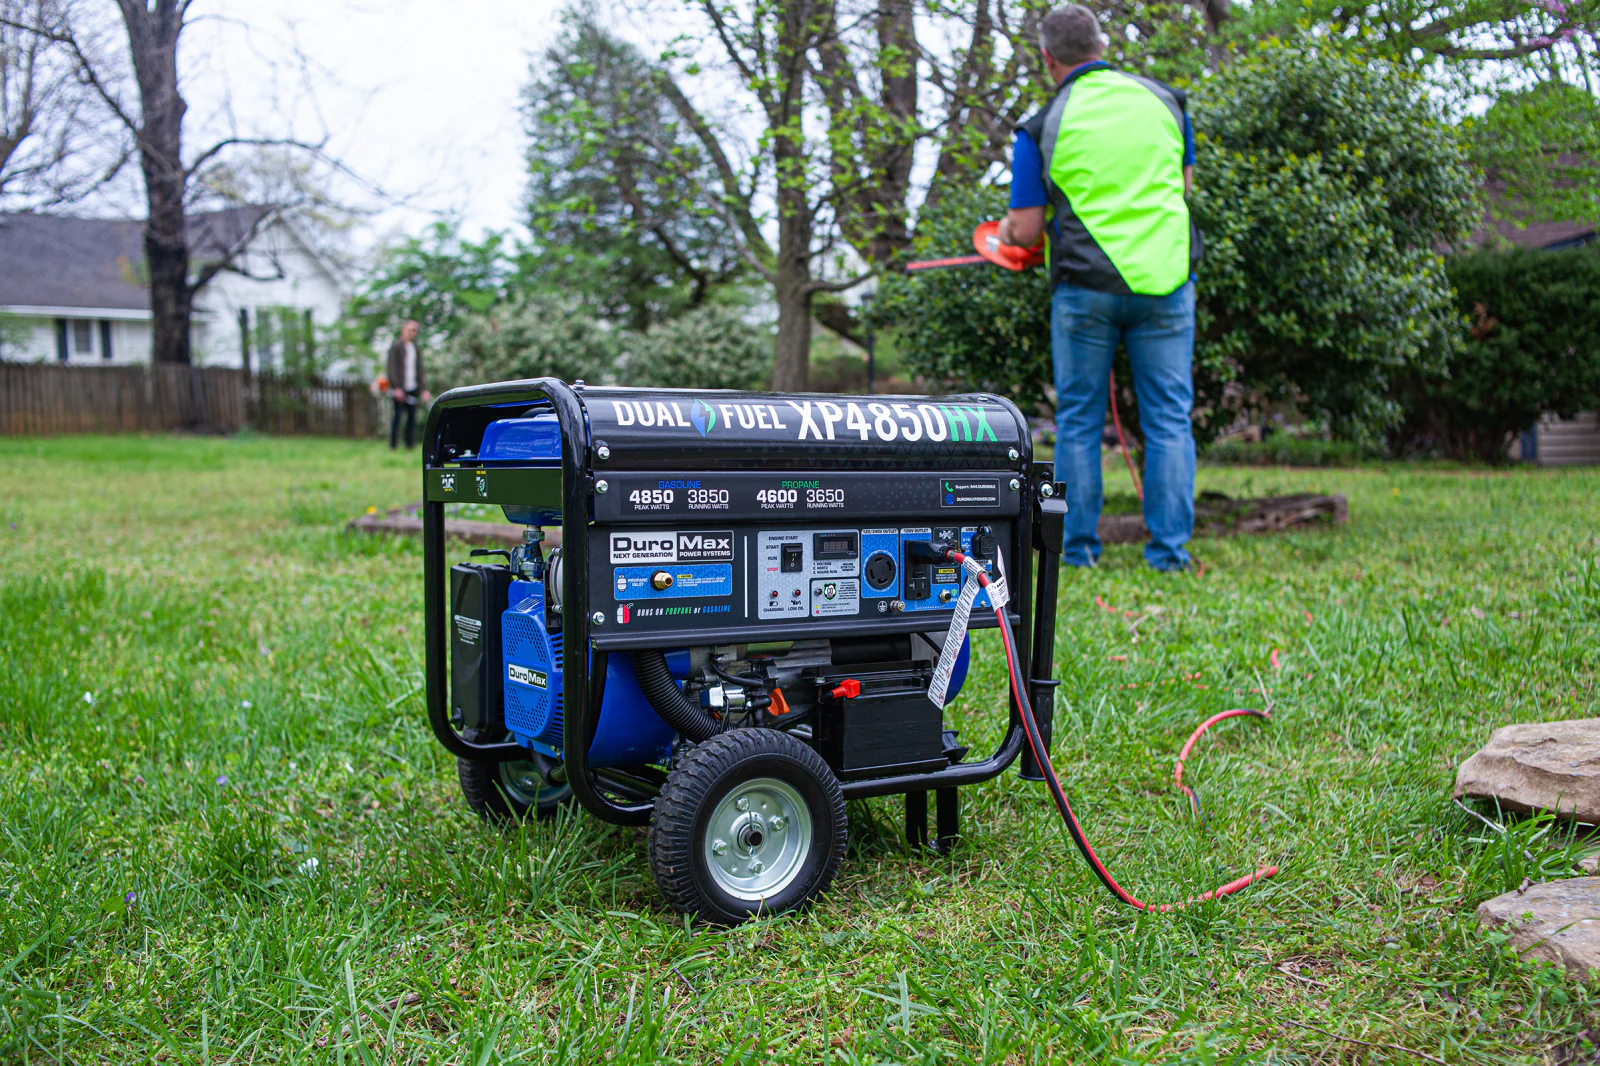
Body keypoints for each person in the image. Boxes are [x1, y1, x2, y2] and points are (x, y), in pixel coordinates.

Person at [999, 4, 1199, 571]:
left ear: (1047, 59)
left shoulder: (1042, 124)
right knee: (1168, 418)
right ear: (1101, 43)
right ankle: (1170, 555)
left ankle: (1076, 551)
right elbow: (1181, 187)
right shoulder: (1166, 101)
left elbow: (1028, 229)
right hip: (1165, 283)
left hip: (1084, 288)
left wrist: (1007, 232)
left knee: (1080, 421)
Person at [386, 320, 430, 449]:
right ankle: (393, 446)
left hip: (413, 387)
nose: (413, 333)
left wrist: (423, 389)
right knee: (397, 417)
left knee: (412, 419)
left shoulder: (415, 348)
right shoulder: (396, 346)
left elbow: (420, 370)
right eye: (410, 330)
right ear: (403, 330)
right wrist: (397, 387)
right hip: (400, 388)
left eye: (415, 330)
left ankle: (409, 445)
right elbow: (392, 368)